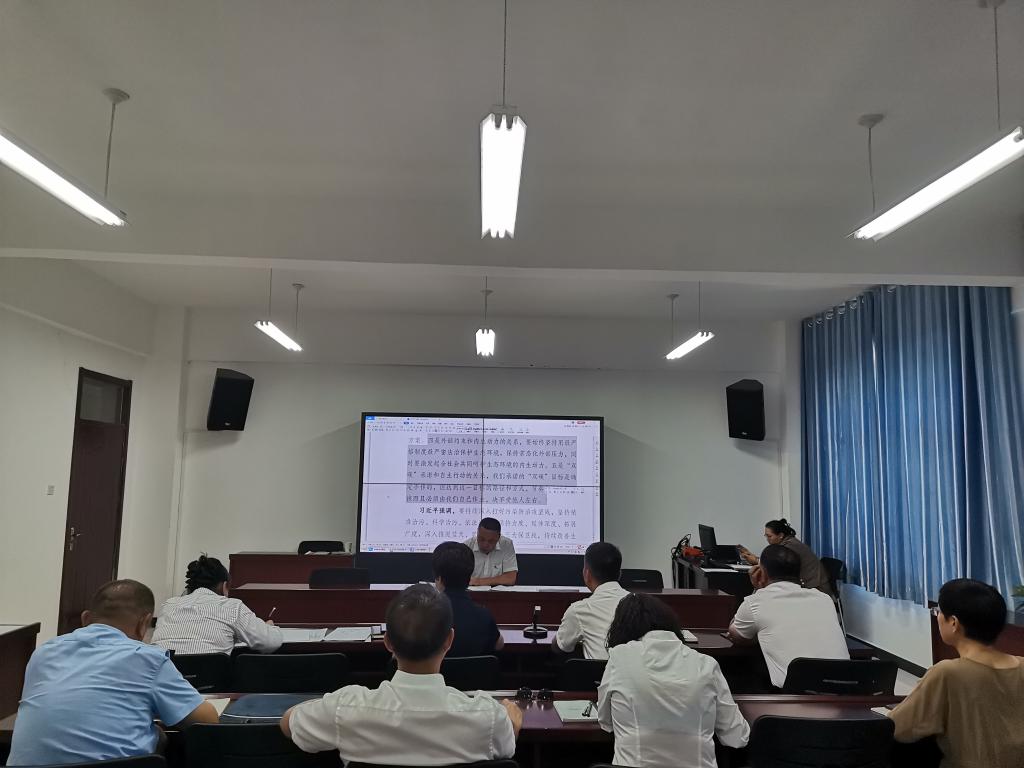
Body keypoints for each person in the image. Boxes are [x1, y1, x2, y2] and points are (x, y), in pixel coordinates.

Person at [281, 584, 522, 764]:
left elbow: (287, 723)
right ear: (449, 640)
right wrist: (511, 722)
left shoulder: (345, 707)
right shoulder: (487, 715)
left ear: (387, 642)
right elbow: (506, 743)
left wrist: (327, 703)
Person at [8, 580, 218, 766]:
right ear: (144, 623)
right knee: (163, 741)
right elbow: (207, 721)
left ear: (85, 618)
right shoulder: (147, 657)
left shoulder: (43, 653)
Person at [598, 593, 749, 768]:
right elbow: (737, 737)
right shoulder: (706, 664)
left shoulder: (619, 657)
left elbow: (605, 722)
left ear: (621, 630)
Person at [888, 579, 1023, 768]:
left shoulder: (947, 673)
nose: (937, 617)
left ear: (953, 623)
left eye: (939, 612)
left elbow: (898, 728)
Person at [727, 544, 848, 688]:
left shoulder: (755, 602)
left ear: (762, 573)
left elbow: (737, 635)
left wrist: (757, 589)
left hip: (798, 695)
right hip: (846, 688)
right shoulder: (824, 599)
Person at [151, 554, 282, 655]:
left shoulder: (168, 605)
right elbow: (270, 642)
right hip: (210, 680)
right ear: (224, 586)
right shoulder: (232, 607)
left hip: (164, 678)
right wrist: (269, 627)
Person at [555, 541, 630, 660]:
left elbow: (560, 647)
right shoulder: (640, 603)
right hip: (634, 671)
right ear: (619, 573)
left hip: (601, 672)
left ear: (587, 573)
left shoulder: (579, 610)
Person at [433, 541, 504, 656]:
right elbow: (499, 645)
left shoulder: (425, 616)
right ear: (469, 577)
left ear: (439, 578)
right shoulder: (483, 615)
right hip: (477, 669)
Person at [738, 518, 834, 597]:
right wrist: (754, 558)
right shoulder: (788, 542)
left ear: (780, 535)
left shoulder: (789, 546)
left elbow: (776, 565)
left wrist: (756, 560)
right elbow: (774, 561)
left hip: (816, 589)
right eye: (766, 536)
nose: (767, 539)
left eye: (769, 536)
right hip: (809, 585)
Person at [464, 517, 518, 586]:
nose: (485, 544)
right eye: (481, 539)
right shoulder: (466, 546)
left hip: (496, 592)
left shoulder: (506, 544)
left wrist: (479, 582)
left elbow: (510, 579)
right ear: (477, 532)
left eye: (491, 541)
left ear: (498, 537)